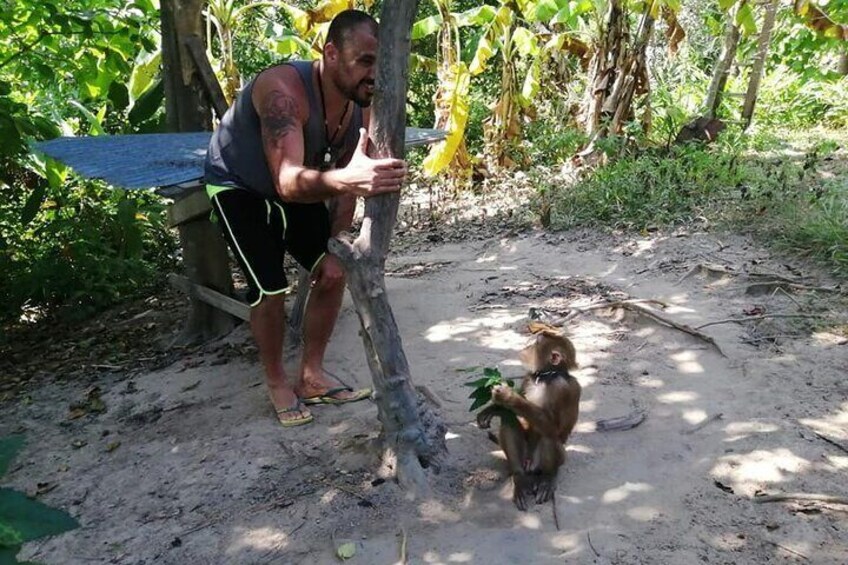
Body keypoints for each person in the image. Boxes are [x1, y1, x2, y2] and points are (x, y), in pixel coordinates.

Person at [203, 10, 406, 427]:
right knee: (269, 289)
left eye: (379, 64)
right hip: (237, 185)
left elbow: (351, 182)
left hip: (299, 186)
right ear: (331, 54)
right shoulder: (283, 91)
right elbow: (288, 181)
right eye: (365, 61)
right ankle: (278, 382)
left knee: (334, 272)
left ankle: (312, 375)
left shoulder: (362, 104)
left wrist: (338, 241)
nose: (374, 75)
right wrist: (348, 179)